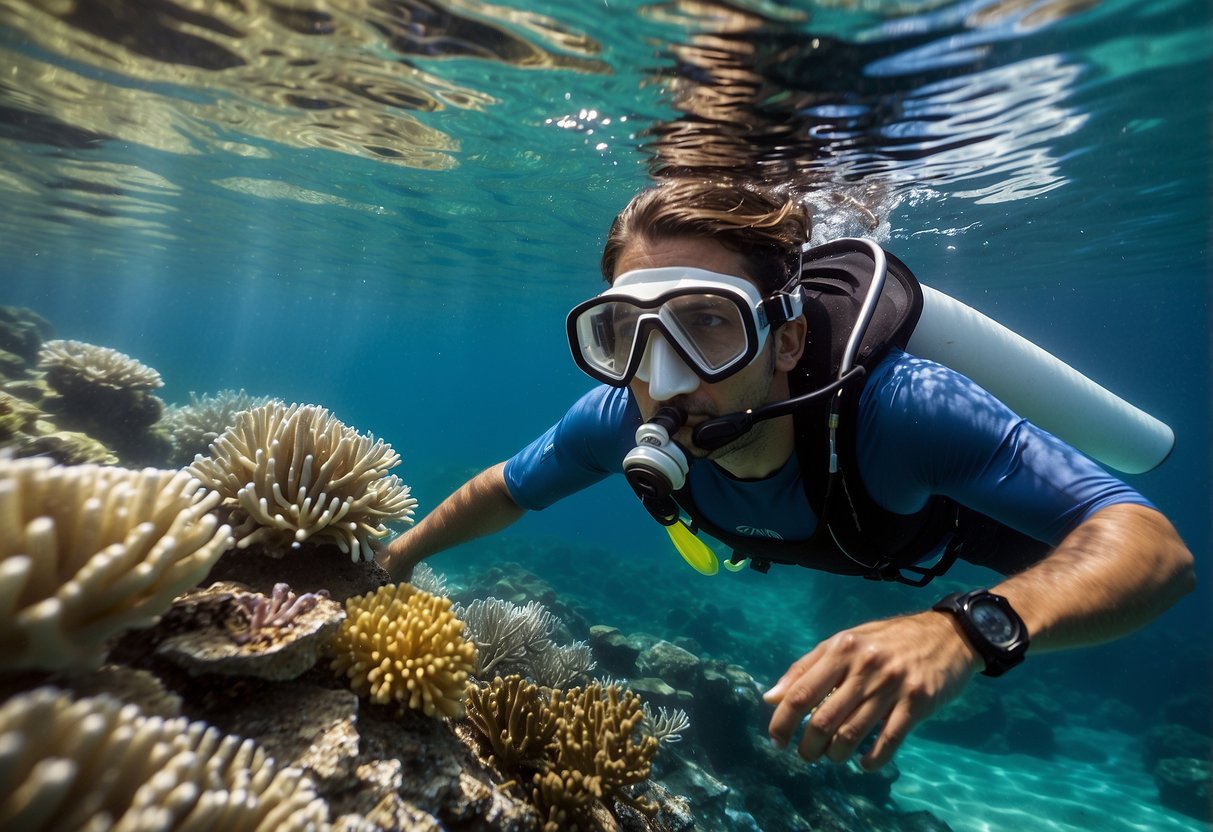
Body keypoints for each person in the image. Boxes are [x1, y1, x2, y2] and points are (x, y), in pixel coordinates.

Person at [380, 177, 1194, 771]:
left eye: (708, 325)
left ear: (789, 341)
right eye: (623, 333)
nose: (661, 380)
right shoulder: (617, 417)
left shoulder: (901, 409)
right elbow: (504, 488)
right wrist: (396, 561)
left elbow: (1153, 550)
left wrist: (968, 627)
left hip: (942, 524)